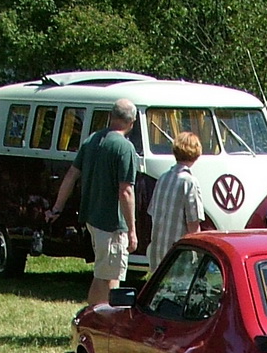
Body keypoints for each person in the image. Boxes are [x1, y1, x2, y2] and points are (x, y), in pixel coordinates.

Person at [45, 98, 138, 305]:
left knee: (107, 273)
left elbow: (71, 176)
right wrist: (132, 229)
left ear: (110, 116)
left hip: (92, 219)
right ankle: (99, 321)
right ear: (132, 122)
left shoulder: (92, 141)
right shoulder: (124, 148)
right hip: (112, 223)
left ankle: (101, 320)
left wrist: (57, 208)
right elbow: (126, 191)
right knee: (108, 278)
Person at [147, 131, 203, 271]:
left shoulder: (163, 178)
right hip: (178, 255)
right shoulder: (190, 182)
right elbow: (193, 224)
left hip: (158, 250)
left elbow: (153, 213)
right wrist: (199, 254)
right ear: (196, 154)